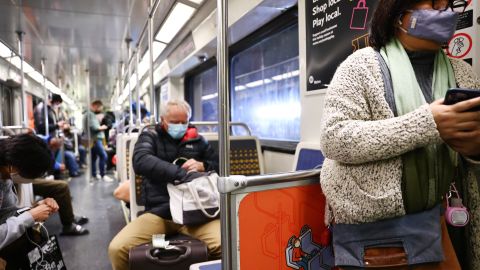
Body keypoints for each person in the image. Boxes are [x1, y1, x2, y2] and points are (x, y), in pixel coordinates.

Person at [319, 0, 480, 269]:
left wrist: (474, 150)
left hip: (445, 222)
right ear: (397, 16)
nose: (444, 12)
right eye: (432, 3)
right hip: (377, 236)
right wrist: (428, 124)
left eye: (447, 4)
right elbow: (335, 138)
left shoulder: (462, 72)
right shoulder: (360, 67)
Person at [108, 100, 220, 270]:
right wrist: (181, 174)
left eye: (184, 122)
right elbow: (141, 160)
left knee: (226, 245)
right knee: (118, 249)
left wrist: (203, 166)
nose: (180, 126)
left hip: (196, 213)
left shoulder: (198, 140)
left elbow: (220, 165)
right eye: (175, 122)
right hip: (161, 213)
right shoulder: (150, 136)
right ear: (163, 120)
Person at [0, 134, 58, 268]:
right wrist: (29, 216)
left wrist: (32, 211)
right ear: (14, 166)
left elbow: (7, 214)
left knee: (36, 235)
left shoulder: (5, 176)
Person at [84, 100, 113, 182]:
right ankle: (103, 175)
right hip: (96, 139)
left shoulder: (86, 114)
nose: (100, 109)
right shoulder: (91, 114)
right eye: (100, 107)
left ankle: (94, 174)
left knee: (93, 157)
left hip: (91, 139)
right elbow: (95, 127)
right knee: (103, 156)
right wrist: (103, 127)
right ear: (95, 106)